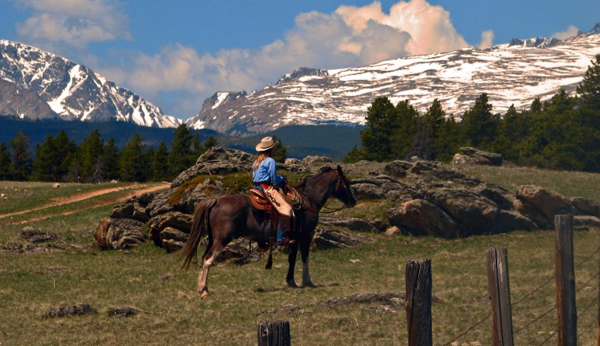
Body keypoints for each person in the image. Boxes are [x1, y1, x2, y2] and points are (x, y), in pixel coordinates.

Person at [252, 136, 294, 244]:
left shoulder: (256, 161)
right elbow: (274, 180)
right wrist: (283, 178)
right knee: (286, 207)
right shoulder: (270, 161)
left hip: (256, 187)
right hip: (266, 188)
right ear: (271, 149)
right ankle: (281, 237)